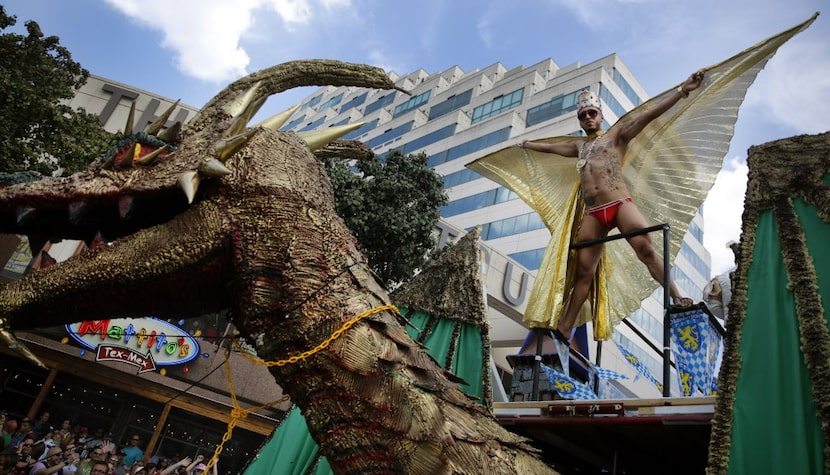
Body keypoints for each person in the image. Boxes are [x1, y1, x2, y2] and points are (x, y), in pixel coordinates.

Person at [518, 72, 704, 342]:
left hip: (619, 203)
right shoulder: (579, 147)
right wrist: (526, 145)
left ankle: (677, 296)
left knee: (646, 250)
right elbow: (551, 148)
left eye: (591, 113)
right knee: (584, 271)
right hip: (594, 214)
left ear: (600, 115)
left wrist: (682, 90)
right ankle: (565, 327)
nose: (588, 118)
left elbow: (647, 117)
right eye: (583, 116)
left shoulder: (616, 136)